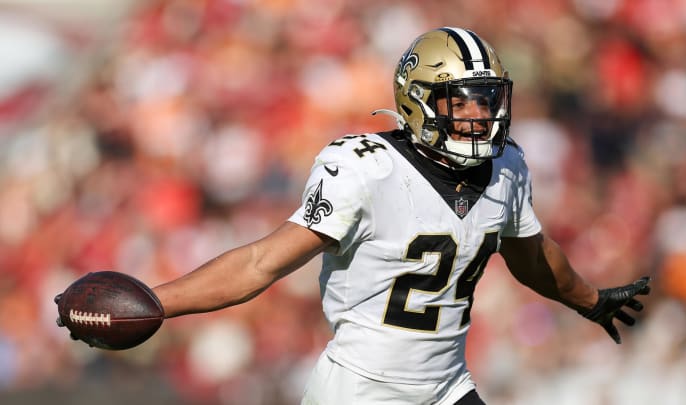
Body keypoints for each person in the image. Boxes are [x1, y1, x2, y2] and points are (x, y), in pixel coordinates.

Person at [56, 27, 651, 405]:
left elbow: (532, 256)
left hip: (447, 385)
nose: (481, 116)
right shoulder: (364, 167)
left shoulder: (508, 166)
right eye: (462, 101)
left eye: (488, 99)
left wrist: (588, 299)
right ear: (418, 102)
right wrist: (158, 302)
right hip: (361, 391)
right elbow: (262, 262)